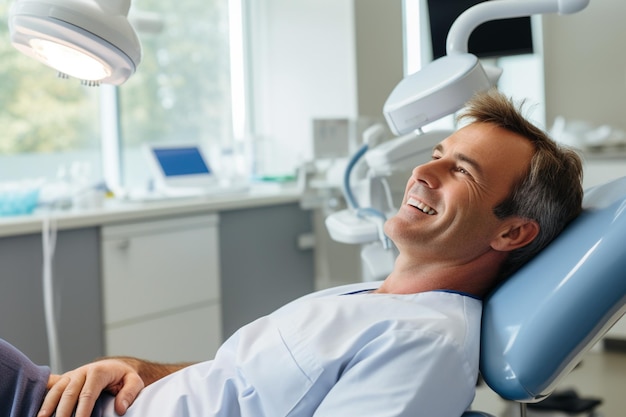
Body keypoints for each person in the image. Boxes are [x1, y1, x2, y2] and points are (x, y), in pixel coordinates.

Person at [3, 88, 583, 417]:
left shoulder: (423, 343)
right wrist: (135, 371)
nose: (423, 172)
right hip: (66, 399)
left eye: (461, 171)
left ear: (512, 233)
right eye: (436, 152)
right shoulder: (375, 299)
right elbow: (247, 381)